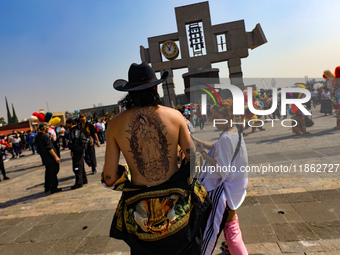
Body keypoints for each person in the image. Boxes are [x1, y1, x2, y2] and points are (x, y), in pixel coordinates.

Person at [102, 62, 211, 255]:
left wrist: (125, 172)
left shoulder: (115, 124)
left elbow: (109, 178)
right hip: (177, 213)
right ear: (156, 87)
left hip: (140, 218)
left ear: (129, 92)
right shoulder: (175, 116)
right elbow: (194, 160)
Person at [192, 99, 248, 255]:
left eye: (217, 117)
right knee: (231, 227)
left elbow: (222, 169)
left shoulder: (225, 138)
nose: (214, 121)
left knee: (214, 229)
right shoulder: (233, 131)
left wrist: (202, 154)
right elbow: (217, 147)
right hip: (235, 186)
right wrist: (199, 142)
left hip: (224, 190)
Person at [34, 124, 62, 194]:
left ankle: (47, 187)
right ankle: (53, 187)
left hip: (44, 157)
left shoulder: (37, 137)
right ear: (44, 128)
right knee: (53, 172)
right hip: (50, 157)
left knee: (48, 172)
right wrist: (56, 156)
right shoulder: (44, 136)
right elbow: (49, 148)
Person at [66, 118, 88, 190]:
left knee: (77, 166)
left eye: (67, 124)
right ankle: (83, 179)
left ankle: (79, 183)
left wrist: (72, 151)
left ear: (71, 124)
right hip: (79, 151)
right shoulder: (76, 130)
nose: (66, 125)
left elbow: (74, 142)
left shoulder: (74, 131)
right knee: (80, 165)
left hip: (77, 151)